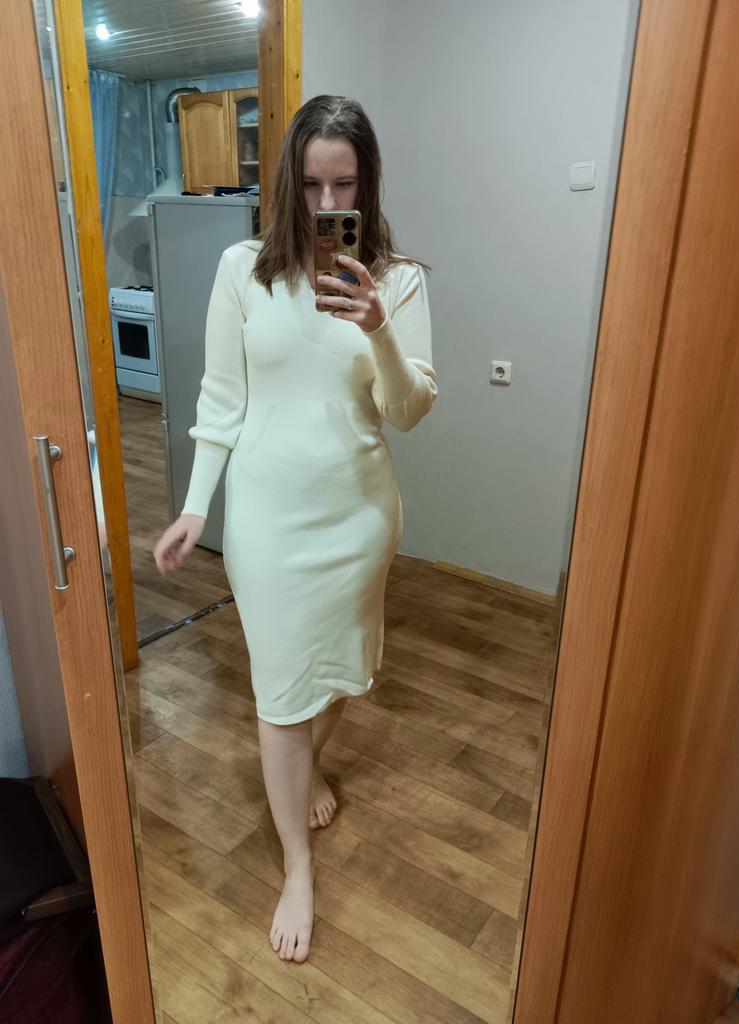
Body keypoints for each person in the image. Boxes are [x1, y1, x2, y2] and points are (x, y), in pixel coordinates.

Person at [153, 94, 438, 964]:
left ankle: (308, 768)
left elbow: (409, 409)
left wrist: (379, 330)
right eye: (311, 185)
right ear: (287, 183)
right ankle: (298, 867)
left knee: (343, 673)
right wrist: (196, 504)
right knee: (281, 693)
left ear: (367, 183)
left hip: (359, 519)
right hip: (267, 524)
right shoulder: (242, 269)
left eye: (343, 185)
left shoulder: (399, 279)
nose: (326, 205)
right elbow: (221, 400)